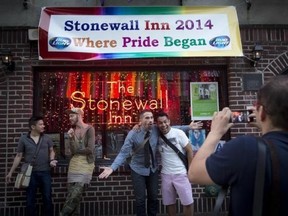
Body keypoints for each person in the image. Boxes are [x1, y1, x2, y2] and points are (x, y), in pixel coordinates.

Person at [188, 75, 288, 216]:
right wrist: (264, 126)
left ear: (262, 112)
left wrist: (215, 132)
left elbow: (194, 173)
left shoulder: (246, 149)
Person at [99, 109, 202, 216]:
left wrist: (188, 127)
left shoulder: (155, 129)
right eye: (147, 118)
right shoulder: (133, 134)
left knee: (153, 197)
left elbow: (172, 128)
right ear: (140, 121)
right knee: (140, 199)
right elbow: (123, 153)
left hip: (152, 169)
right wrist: (112, 167)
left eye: (152, 118)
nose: (150, 120)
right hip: (138, 169)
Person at [6, 116, 58, 216]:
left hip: (45, 172)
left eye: (43, 124)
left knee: (47, 197)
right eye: (41, 124)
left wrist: (52, 160)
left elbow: (52, 150)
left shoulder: (46, 138)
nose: (43, 126)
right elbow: (18, 156)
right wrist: (10, 172)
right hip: (30, 174)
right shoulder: (24, 139)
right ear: (33, 127)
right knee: (30, 199)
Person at [156, 112, 195, 216]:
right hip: (166, 174)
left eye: (165, 122)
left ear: (169, 121)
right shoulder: (156, 135)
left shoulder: (178, 133)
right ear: (157, 124)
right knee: (169, 203)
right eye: (160, 123)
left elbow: (190, 151)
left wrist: (190, 170)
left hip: (181, 173)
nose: (163, 125)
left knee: (187, 202)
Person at [60, 107, 95, 216]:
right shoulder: (72, 131)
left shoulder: (90, 129)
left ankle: (62, 214)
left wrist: (77, 151)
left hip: (86, 164)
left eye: (72, 116)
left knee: (76, 194)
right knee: (72, 195)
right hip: (74, 164)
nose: (69, 118)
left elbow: (90, 149)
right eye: (69, 116)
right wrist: (70, 138)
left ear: (79, 115)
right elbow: (72, 151)